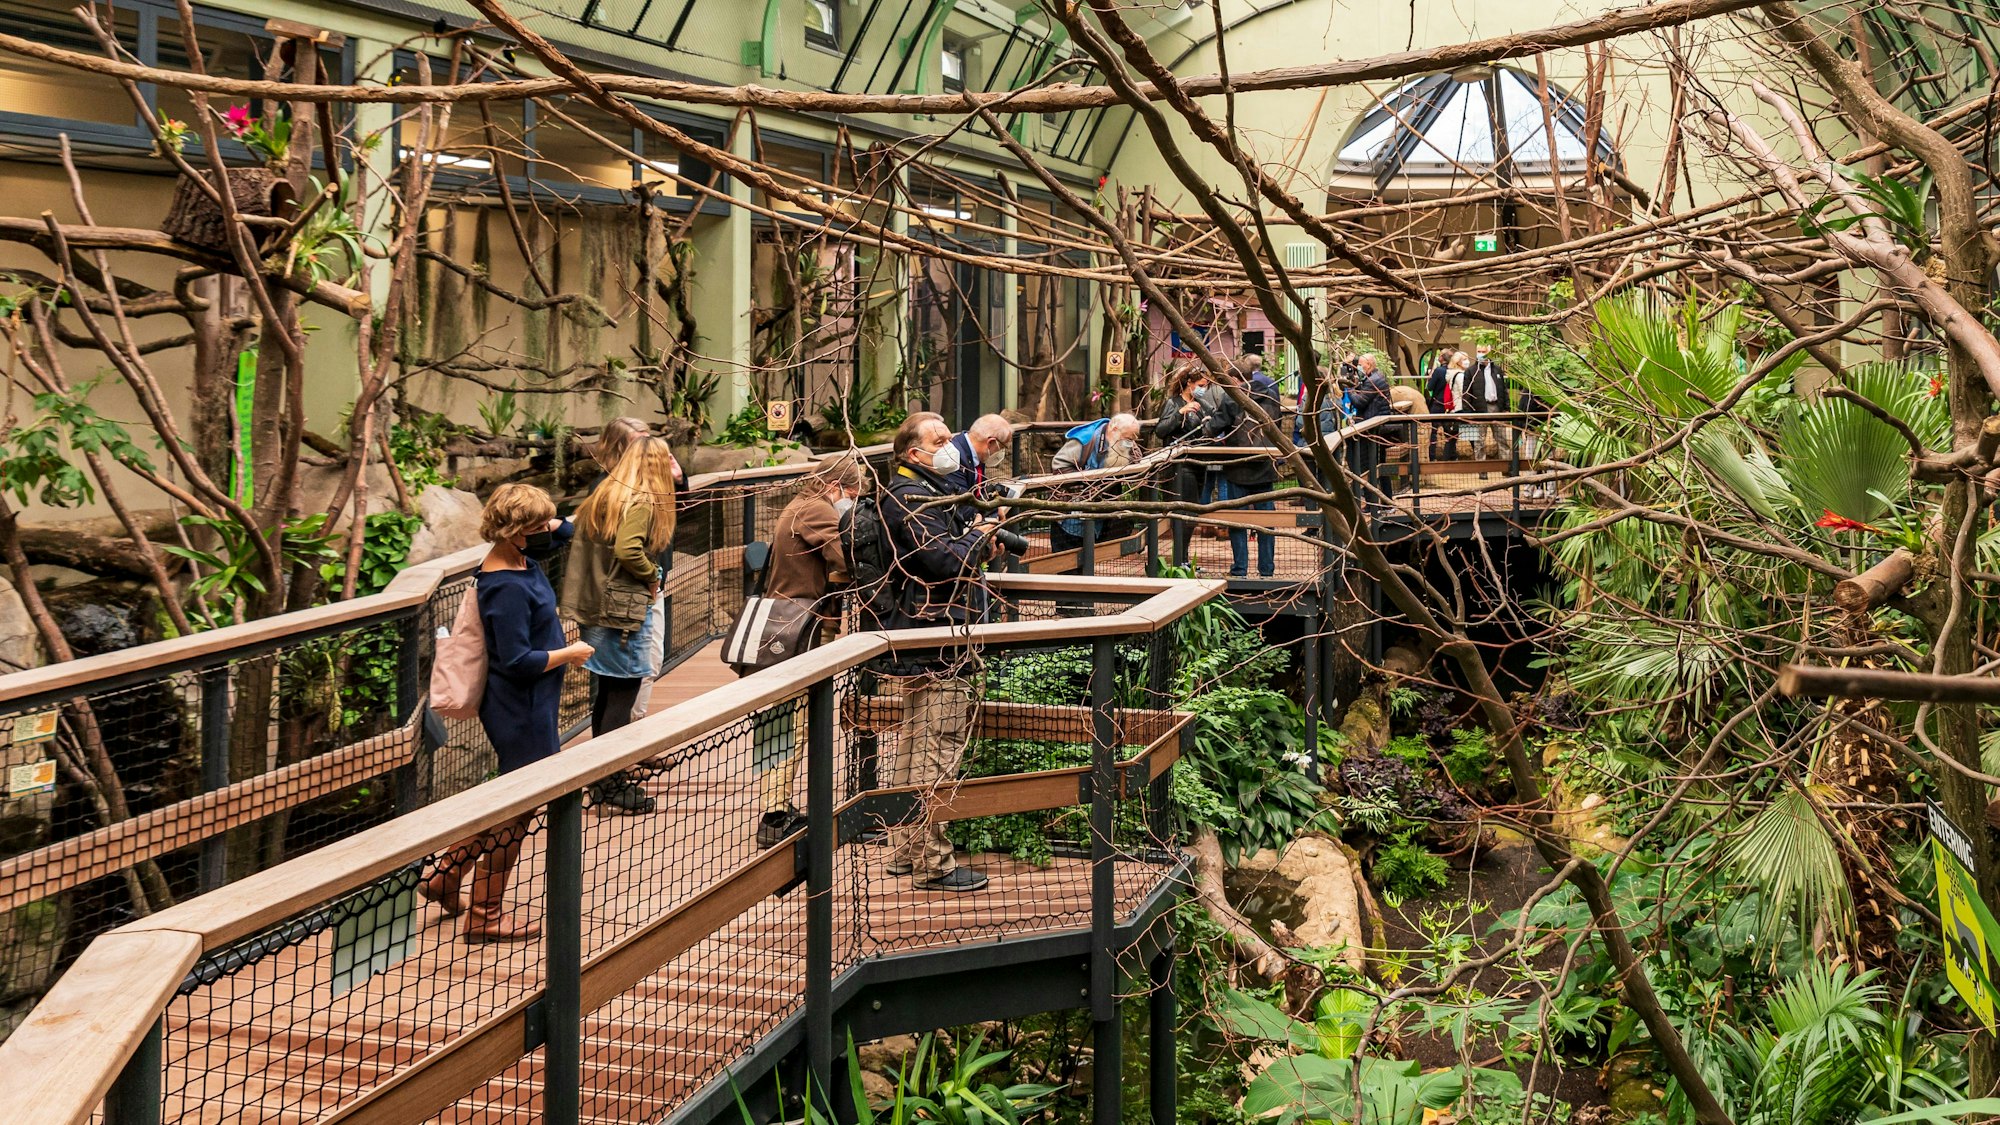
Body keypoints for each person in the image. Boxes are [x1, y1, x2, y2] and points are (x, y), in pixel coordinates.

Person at [418, 484, 594, 942]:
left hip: (536, 703)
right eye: (534, 527)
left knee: (513, 802)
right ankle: (485, 915)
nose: (545, 533)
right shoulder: (504, 586)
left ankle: (446, 878)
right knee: (517, 811)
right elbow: (515, 661)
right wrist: (569, 652)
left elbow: (567, 529)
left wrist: (547, 518)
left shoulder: (519, 555)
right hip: (520, 708)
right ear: (514, 532)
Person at [878, 412, 1001, 893]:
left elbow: (946, 549)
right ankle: (935, 863)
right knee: (937, 747)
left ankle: (907, 851)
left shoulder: (919, 495)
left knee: (916, 743)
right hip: (936, 640)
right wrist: (982, 537)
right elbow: (943, 559)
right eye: (941, 438)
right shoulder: (911, 499)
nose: (952, 443)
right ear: (915, 454)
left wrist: (971, 534)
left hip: (923, 636)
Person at [746, 455, 865, 848]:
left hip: (785, 625)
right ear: (836, 486)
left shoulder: (798, 504)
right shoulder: (816, 510)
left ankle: (774, 806)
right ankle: (775, 816)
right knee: (791, 721)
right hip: (798, 629)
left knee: (778, 720)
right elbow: (845, 559)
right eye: (851, 493)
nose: (851, 500)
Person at [560, 437, 677, 814]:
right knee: (622, 694)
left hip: (598, 609)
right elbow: (629, 550)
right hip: (622, 613)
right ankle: (610, 785)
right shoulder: (642, 501)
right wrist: (652, 575)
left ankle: (602, 777)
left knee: (608, 693)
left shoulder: (607, 493)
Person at [1209, 364, 1282, 578]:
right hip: (1265, 466)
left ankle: (1240, 568)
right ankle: (1267, 570)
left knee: (1237, 520)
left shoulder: (1232, 399)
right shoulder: (1272, 397)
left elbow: (1214, 427)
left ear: (1235, 379)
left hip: (1237, 468)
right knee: (1267, 522)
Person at [1155, 362, 1225, 559]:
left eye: (1206, 386)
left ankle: (1183, 558)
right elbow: (1161, 431)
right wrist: (1180, 413)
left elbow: (1216, 422)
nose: (1203, 389)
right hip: (1179, 465)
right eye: (1201, 385)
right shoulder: (1173, 403)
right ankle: (1180, 558)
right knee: (1183, 512)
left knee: (1193, 514)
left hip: (1199, 463)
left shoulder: (1203, 405)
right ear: (1189, 383)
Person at [1049, 412, 1141, 554]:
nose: (1129, 442)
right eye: (1128, 438)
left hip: (1098, 519)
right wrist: (1086, 482)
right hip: (1070, 519)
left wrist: (1130, 446)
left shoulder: (1122, 440)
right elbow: (1058, 466)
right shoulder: (1085, 440)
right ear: (1114, 429)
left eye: (1133, 438)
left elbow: (1137, 462)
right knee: (1068, 568)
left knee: (1090, 563)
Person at [934, 413, 1012, 505]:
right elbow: (963, 506)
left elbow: (980, 496)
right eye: (1002, 448)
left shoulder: (979, 455)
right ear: (990, 442)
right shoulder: (955, 459)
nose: (1001, 452)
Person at [1346, 354, 1396, 482]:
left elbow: (1359, 402)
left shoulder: (1373, 380)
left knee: (1369, 464)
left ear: (1368, 365)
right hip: (1375, 426)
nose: (1358, 367)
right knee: (1379, 463)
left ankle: (1372, 498)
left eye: (1360, 365)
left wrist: (1349, 388)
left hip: (1373, 428)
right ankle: (1385, 498)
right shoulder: (1374, 377)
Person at [1464, 343, 1511, 465]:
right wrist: (1468, 413)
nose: (1480, 354)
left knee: (1502, 439)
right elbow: (1466, 393)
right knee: (1479, 441)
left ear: (1489, 352)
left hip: (1496, 407)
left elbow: (1504, 390)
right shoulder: (1471, 371)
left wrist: (1507, 408)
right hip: (1479, 409)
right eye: (1478, 351)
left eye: (1483, 351)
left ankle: (1506, 467)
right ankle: (1481, 468)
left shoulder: (1497, 369)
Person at [1424, 351, 1458, 462]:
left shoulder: (1438, 371)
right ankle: (1452, 456)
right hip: (1450, 404)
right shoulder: (1454, 371)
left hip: (1438, 404)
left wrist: (1430, 377)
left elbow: (1429, 387)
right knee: (1450, 431)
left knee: (1433, 431)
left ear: (1442, 358)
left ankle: (1432, 456)